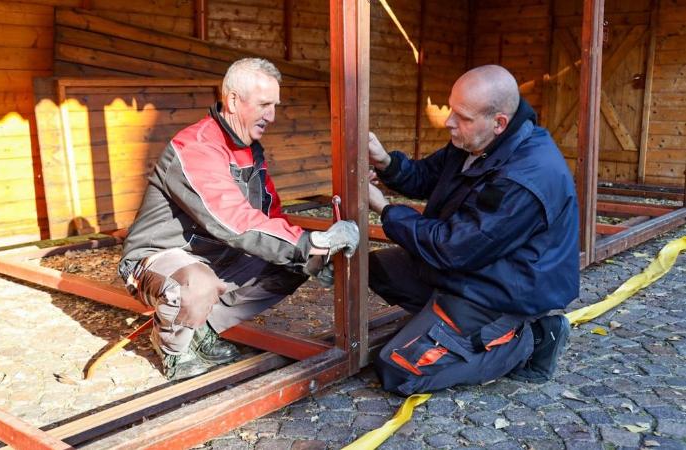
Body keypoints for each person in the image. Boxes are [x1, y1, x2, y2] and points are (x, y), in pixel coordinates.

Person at [118, 58, 359, 381]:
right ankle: (173, 349)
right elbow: (230, 219)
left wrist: (314, 255)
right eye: (264, 104)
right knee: (197, 282)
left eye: (275, 105)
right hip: (160, 256)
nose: (272, 116)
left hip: (214, 252)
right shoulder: (197, 146)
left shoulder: (249, 150)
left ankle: (203, 329)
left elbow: (270, 216)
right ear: (233, 100)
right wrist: (309, 242)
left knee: (295, 265)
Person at [367, 65, 580, 395]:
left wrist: (385, 208)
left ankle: (532, 337)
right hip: (472, 268)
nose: (449, 121)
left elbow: (454, 247)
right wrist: (386, 163)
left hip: (501, 290)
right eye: (452, 109)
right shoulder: (475, 142)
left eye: (461, 116)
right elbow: (424, 176)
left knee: (398, 370)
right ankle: (449, 329)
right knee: (376, 268)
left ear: (499, 123)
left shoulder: (524, 178)